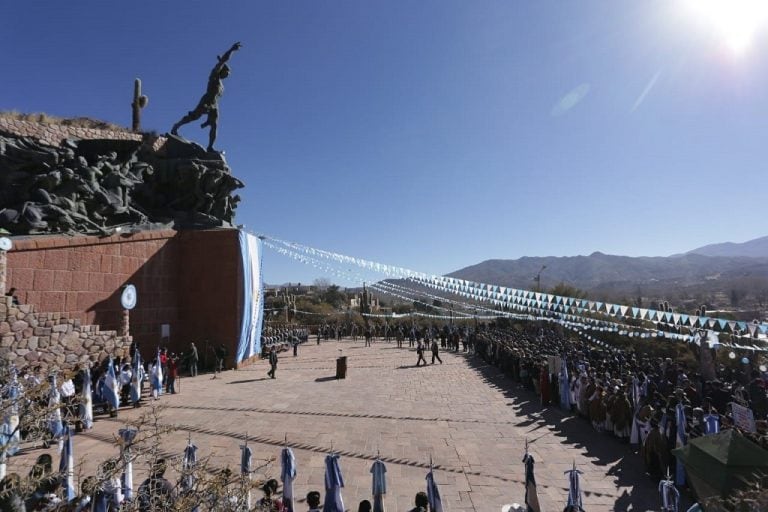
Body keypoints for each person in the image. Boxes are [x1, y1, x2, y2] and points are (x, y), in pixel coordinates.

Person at [171, 42, 242, 152]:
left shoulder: (222, 86)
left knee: (214, 125)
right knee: (193, 117)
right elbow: (223, 60)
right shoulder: (214, 75)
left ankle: (210, 147)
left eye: (229, 73)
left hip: (214, 104)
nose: (228, 74)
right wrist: (231, 50)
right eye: (227, 71)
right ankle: (176, 126)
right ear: (222, 70)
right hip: (206, 100)